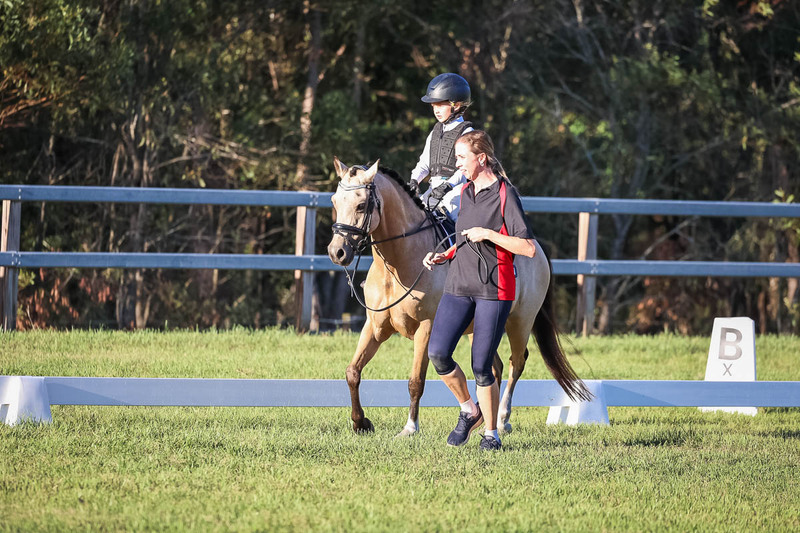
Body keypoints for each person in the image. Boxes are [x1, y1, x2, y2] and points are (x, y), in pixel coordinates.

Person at [423, 130, 536, 451]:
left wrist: (489, 234)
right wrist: (445, 254)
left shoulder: (505, 194)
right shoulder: (465, 192)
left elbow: (527, 247)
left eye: (461, 157)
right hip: (458, 284)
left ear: (481, 158)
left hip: (494, 290)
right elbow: (464, 236)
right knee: (438, 353)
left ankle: (491, 434)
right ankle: (469, 410)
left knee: (481, 366)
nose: (457, 164)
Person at [408, 73, 474, 222]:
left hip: (456, 193)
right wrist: (414, 180)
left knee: (456, 226)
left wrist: (447, 186)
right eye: (433, 106)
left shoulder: (467, 133)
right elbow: (424, 163)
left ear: (456, 105)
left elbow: (465, 169)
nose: (436, 110)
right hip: (433, 191)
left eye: (440, 105)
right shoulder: (435, 132)